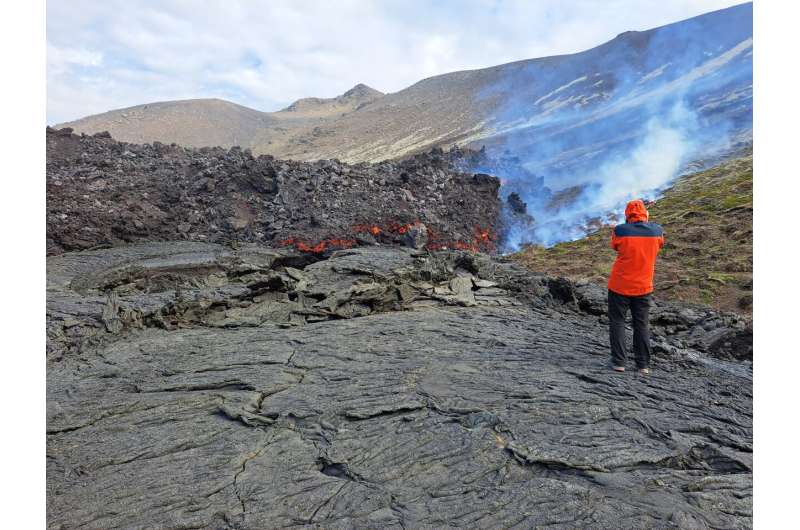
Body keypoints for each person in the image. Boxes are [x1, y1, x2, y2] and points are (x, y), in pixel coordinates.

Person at [607, 199, 664, 374]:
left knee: (617, 322)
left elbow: (615, 246)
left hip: (619, 285)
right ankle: (643, 365)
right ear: (645, 214)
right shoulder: (657, 231)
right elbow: (659, 245)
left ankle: (619, 362)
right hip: (643, 287)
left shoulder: (620, 230)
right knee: (642, 324)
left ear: (627, 215)